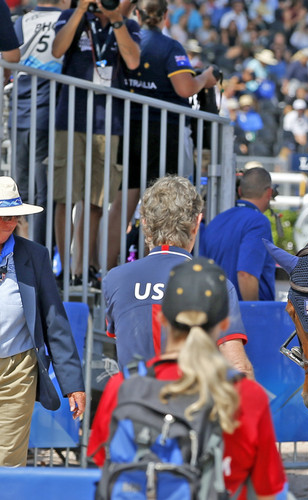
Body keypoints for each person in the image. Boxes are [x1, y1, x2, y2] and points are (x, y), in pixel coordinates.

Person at [89, 258, 285, 498]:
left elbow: (104, 466)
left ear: (162, 318)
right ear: (224, 324)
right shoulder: (247, 396)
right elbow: (266, 491)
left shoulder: (121, 388)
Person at [105, 0, 219, 269]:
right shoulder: (170, 46)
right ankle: (151, 270)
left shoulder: (125, 38)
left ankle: (103, 269)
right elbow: (184, 88)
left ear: (138, 13)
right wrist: (206, 78)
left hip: (130, 127)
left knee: (124, 202)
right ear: (166, 16)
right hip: (163, 131)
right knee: (160, 205)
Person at [102, 176, 253, 378]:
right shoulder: (217, 284)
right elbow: (238, 367)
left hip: (132, 403)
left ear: (145, 224)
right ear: (197, 222)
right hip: (192, 405)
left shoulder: (115, 279)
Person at [51, 0, 141, 287]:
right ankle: (66, 269)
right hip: (70, 120)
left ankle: (84, 269)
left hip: (108, 123)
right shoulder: (71, 16)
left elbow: (133, 61)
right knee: (66, 197)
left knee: (96, 202)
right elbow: (57, 50)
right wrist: (80, 10)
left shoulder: (128, 26)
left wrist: (116, 19)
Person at [0, 176, 85, 466]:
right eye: (2, 216)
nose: (9, 222)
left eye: (13, 216)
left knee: (8, 461)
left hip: (17, 370)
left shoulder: (35, 255)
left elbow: (54, 320)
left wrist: (73, 383)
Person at [11, 0, 68, 244]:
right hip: (47, 114)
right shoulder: (67, 20)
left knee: (19, 192)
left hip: (19, 111)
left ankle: (16, 256)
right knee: (42, 194)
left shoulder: (23, 20)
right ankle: (38, 255)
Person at [201, 166, 276, 301]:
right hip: (242, 314)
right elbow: (246, 275)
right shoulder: (258, 222)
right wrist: (253, 313)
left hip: (215, 311)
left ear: (240, 191)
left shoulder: (217, 221)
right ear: (269, 193)